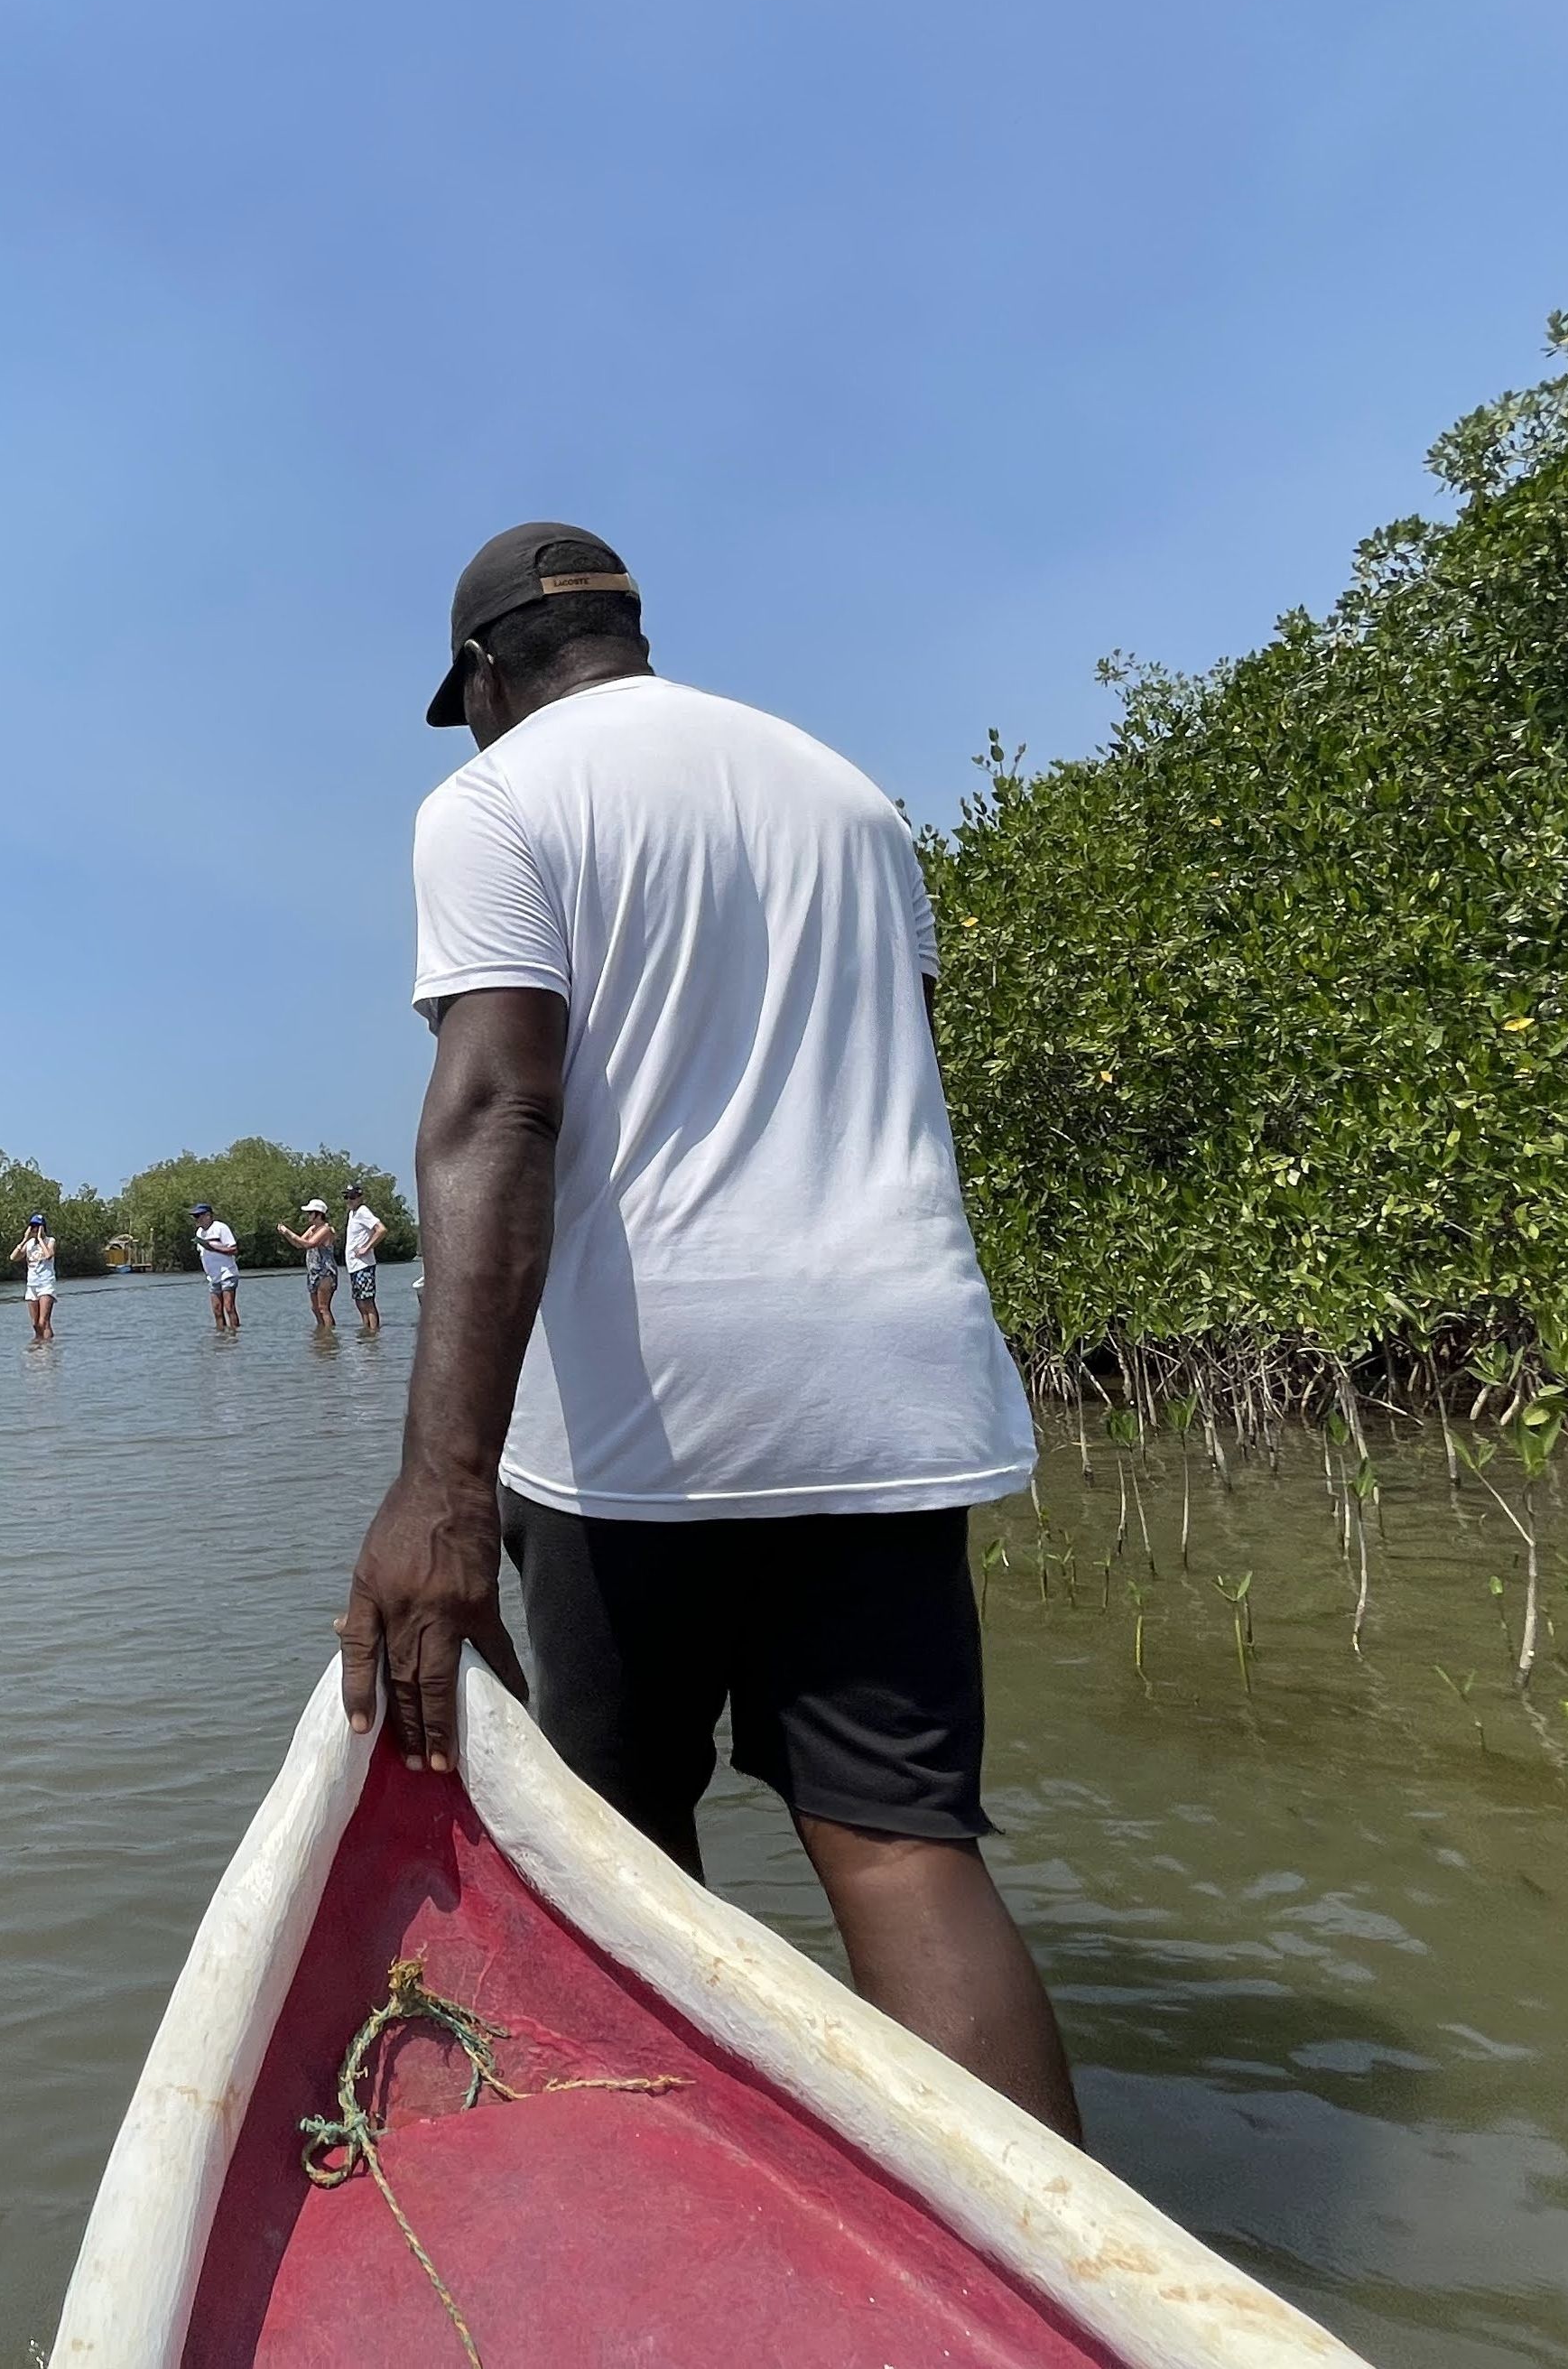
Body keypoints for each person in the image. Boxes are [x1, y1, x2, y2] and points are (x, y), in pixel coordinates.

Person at [338, 523, 1076, 2141]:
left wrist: (439, 1486)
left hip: (641, 1420)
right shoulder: (849, 798)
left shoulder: (495, 801)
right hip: (892, 1395)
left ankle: (692, 2205)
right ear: (627, 634)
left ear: (482, 679)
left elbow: (493, 1111)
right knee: (897, 1849)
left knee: (619, 1839)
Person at [276, 1198, 340, 1329]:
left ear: (318, 1214)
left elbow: (310, 1244)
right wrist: (286, 1235)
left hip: (325, 1272)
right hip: (313, 1272)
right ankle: (322, 1334)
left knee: (323, 1308)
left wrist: (289, 1232)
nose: (308, 1216)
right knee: (315, 1308)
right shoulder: (312, 1229)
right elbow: (299, 1244)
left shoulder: (326, 1229)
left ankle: (329, 1336)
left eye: (310, 1213)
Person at [339, 1181, 385, 1334]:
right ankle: (367, 1332)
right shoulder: (352, 1214)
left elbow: (381, 1230)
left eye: (352, 1197)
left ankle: (373, 1335)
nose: (349, 1200)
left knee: (368, 1302)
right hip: (354, 1266)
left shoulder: (363, 1211)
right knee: (359, 1302)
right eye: (347, 1197)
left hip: (364, 1265)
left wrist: (367, 1247)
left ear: (359, 1197)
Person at [190, 1203, 242, 1330]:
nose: (196, 1219)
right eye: (195, 1217)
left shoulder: (220, 1228)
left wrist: (213, 1247)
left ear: (208, 1216)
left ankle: (235, 1335)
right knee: (217, 1310)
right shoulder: (199, 1233)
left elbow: (233, 1249)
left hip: (227, 1273)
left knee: (229, 1307)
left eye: (198, 1216)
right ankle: (221, 1336)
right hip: (212, 1277)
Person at [13, 1211, 59, 1342]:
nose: (35, 1229)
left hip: (46, 1284)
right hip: (32, 1285)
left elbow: (49, 1255)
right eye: (33, 1226)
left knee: (43, 1321)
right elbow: (13, 1257)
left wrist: (40, 1239)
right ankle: (39, 1344)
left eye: (38, 1226)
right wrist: (24, 1240)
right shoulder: (29, 1244)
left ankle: (48, 1347)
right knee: (35, 1323)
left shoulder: (50, 1241)